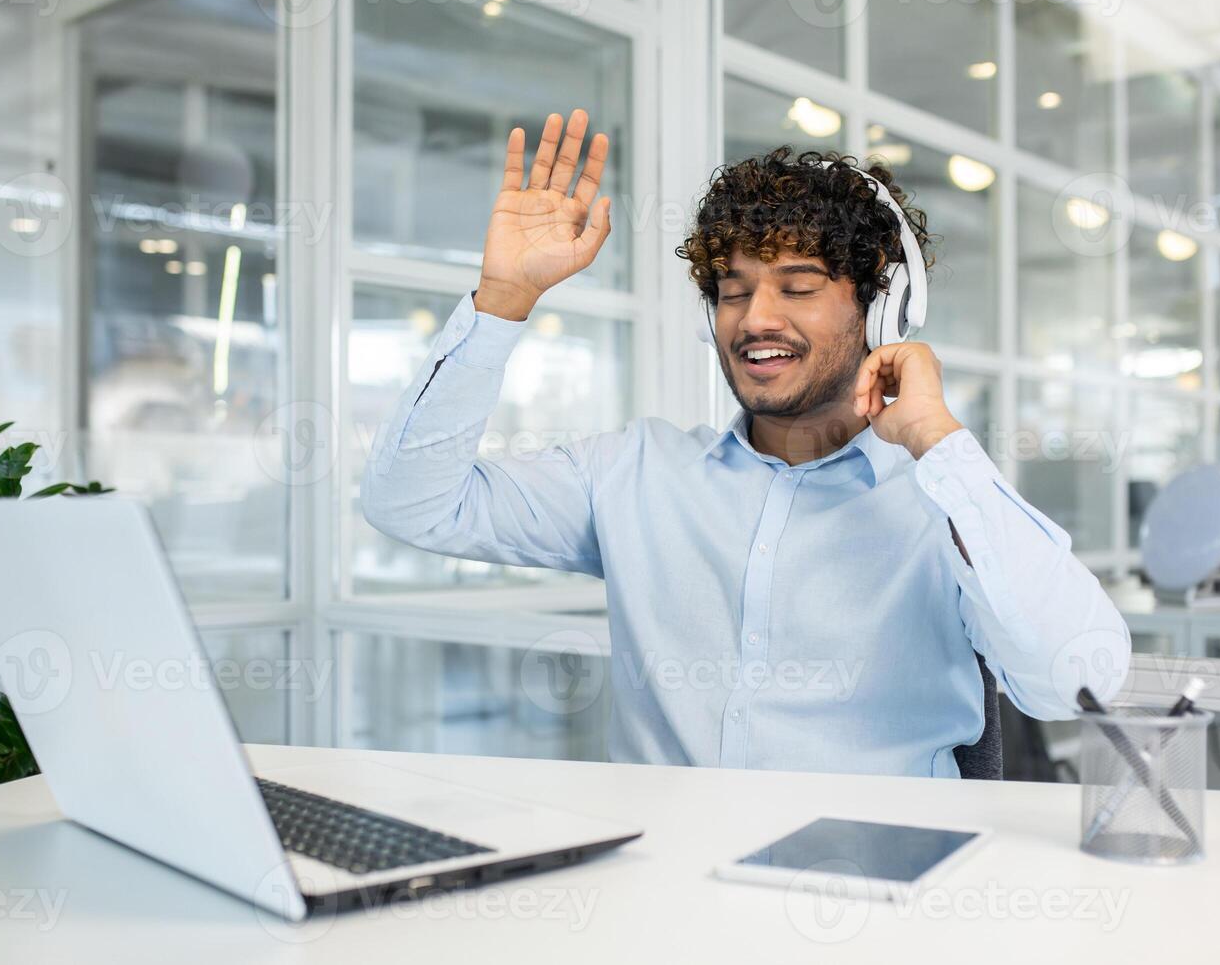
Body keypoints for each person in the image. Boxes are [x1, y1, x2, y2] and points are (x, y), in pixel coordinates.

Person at [362, 109, 1130, 778]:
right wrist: (501, 304)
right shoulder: (634, 473)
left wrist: (937, 440)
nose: (756, 317)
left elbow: (1075, 679)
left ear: (883, 310)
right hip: (667, 897)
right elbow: (411, 505)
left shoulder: (945, 499)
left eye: (798, 287)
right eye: (732, 291)